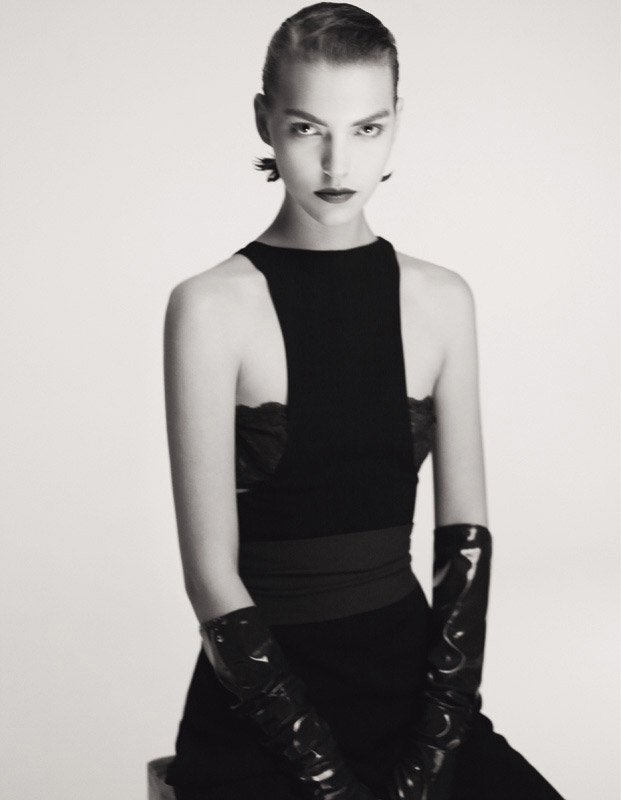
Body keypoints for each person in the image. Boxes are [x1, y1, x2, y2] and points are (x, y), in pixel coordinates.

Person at [162, 4, 566, 799]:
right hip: (261, 711)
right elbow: (210, 576)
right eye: (307, 129)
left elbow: (465, 542)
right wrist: (326, 777)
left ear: (396, 123)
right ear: (265, 122)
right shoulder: (208, 308)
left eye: (367, 129)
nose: (337, 162)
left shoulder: (441, 299)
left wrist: (436, 748)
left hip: (413, 695)